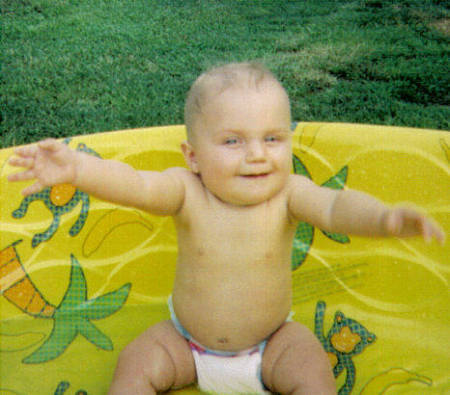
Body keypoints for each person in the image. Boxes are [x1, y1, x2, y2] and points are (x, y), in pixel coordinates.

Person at [8, 62, 445, 395]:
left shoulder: (289, 193)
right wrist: (78, 167)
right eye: (233, 141)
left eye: (272, 138)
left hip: (271, 345)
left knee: (312, 366)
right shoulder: (185, 191)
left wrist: (383, 218)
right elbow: (135, 185)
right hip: (185, 345)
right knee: (136, 362)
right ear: (193, 156)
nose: (256, 155)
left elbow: (336, 208)